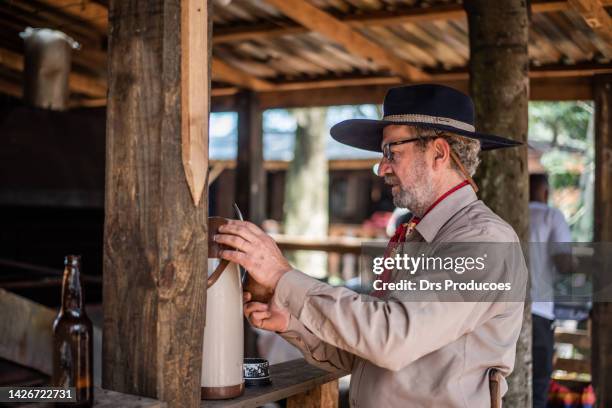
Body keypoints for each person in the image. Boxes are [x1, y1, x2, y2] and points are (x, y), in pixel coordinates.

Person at [215, 84, 528, 407]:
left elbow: (390, 338)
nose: (382, 167)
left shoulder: (483, 240)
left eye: (392, 151)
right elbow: (366, 353)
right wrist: (293, 323)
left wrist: (283, 276)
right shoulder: (418, 237)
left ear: (438, 153)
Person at [529, 172, 573, 408]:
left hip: (503, 311)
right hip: (539, 311)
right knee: (538, 386)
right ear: (545, 192)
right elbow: (564, 264)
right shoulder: (551, 216)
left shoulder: (502, 213)